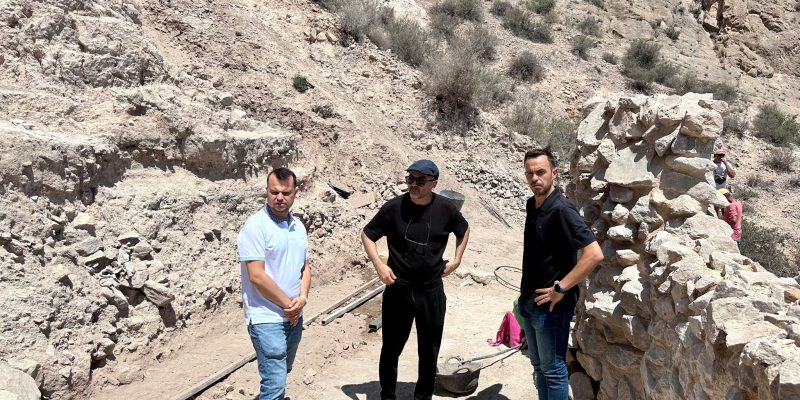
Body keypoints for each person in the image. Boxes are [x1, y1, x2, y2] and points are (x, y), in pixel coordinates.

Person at [361, 159, 470, 400]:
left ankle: (423, 397)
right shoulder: (393, 208)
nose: (414, 185)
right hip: (398, 290)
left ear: (434, 184)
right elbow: (367, 235)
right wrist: (379, 265)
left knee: (429, 352)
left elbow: (463, 230)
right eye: (410, 179)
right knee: (390, 350)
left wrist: (457, 259)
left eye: (420, 181)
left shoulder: (446, 209)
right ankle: (387, 395)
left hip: (431, 291)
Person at [518, 149, 604, 400]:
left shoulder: (562, 209)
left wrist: (561, 288)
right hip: (529, 302)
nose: (535, 178)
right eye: (530, 173)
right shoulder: (532, 204)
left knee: (554, 371)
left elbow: (594, 254)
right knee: (539, 368)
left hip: (552, 307)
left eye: (540, 172)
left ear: (554, 173)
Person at [237, 167, 311, 400]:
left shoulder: (298, 226)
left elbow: (305, 267)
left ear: (295, 193)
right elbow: (256, 276)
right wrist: (289, 305)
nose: (279, 198)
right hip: (266, 317)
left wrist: (302, 300)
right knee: (275, 383)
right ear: (267, 191)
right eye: (274, 192)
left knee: (281, 371)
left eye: (285, 193)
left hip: (293, 316)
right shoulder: (256, 226)